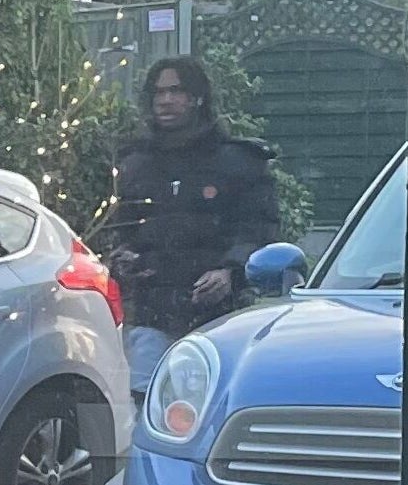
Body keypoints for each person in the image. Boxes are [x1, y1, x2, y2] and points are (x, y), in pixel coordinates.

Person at [96, 55, 282, 397]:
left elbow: (259, 229)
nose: (165, 101)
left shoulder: (239, 162)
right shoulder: (134, 164)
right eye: (158, 93)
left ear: (197, 98)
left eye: (176, 91)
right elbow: (120, 229)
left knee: (210, 405)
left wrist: (230, 271)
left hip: (218, 318)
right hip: (151, 313)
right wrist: (122, 257)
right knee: (145, 404)